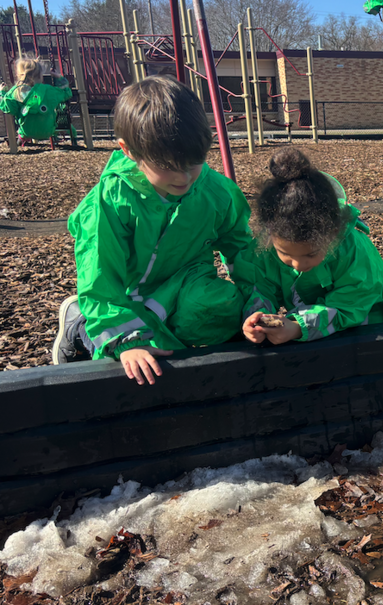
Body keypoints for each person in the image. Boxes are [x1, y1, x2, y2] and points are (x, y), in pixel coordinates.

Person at [52, 76, 256, 385]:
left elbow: (242, 248)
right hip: (125, 292)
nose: (184, 176)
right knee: (131, 357)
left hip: (186, 279)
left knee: (221, 306)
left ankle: (164, 329)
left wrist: (257, 303)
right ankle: (79, 326)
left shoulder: (215, 192)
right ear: (129, 151)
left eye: (194, 162)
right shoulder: (112, 200)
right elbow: (100, 273)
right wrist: (126, 341)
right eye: (169, 165)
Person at [241, 147, 383, 346]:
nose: (297, 264)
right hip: (354, 332)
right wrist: (257, 316)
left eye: (311, 254)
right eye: (285, 253)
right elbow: (262, 286)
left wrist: (298, 326)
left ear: (333, 234)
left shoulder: (354, 250)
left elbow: (348, 306)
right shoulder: (268, 247)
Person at [0, 54, 73, 144]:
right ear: (39, 76)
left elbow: (7, 107)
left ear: (19, 75)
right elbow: (66, 93)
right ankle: (59, 137)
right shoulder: (48, 90)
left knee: (21, 128)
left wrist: (2, 93)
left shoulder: (16, 92)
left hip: (26, 131)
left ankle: (20, 141)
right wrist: (59, 78)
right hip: (48, 131)